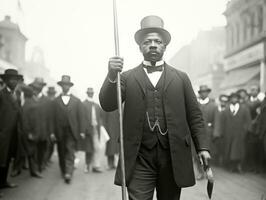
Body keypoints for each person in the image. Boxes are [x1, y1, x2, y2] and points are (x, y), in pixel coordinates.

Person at [99, 15, 210, 200]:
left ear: (165, 46)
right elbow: (107, 104)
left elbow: (195, 116)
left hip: (173, 157)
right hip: (138, 156)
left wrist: (203, 148)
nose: (152, 45)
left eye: (157, 41)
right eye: (147, 41)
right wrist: (111, 75)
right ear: (140, 46)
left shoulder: (181, 78)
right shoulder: (125, 77)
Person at [51, 75, 86, 183]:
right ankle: (63, 170)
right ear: (61, 86)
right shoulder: (55, 101)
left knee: (70, 151)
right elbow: (52, 118)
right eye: (63, 85)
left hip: (72, 131)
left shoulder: (76, 101)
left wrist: (82, 131)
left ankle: (68, 173)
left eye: (67, 85)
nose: (65, 87)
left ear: (69, 86)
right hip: (59, 131)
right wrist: (52, 132)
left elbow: (81, 117)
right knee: (61, 152)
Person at [0, 69, 23, 197]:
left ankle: (3, 182)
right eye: (11, 79)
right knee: (0, 159)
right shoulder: (1, 95)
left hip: (13, 134)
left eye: (16, 79)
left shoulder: (17, 95)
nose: (13, 81)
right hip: (2, 134)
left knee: (7, 159)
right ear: (6, 80)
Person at [219, 93, 251, 173]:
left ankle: (239, 166)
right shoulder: (226, 110)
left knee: (239, 150)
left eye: (236, 98)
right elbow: (222, 122)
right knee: (229, 150)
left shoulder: (244, 109)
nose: (234, 99)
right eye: (232, 98)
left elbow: (248, 121)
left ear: (238, 99)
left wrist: (245, 131)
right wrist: (223, 132)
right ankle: (231, 166)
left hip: (240, 134)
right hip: (228, 134)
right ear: (230, 99)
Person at [78, 87, 104, 173]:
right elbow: (82, 118)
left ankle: (95, 166)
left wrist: (100, 125)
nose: (90, 94)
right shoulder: (83, 104)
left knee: (97, 148)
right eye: (89, 93)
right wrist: (83, 131)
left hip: (96, 129)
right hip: (87, 130)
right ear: (87, 94)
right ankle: (87, 165)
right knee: (88, 149)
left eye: (92, 93)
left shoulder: (96, 105)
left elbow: (101, 116)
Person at [29, 78, 52, 173]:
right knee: (32, 151)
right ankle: (34, 170)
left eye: (40, 86)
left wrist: (50, 132)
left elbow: (50, 117)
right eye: (36, 86)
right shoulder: (29, 99)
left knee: (42, 150)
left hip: (43, 131)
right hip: (32, 131)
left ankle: (40, 166)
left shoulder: (47, 100)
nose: (37, 88)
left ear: (42, 87)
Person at [20, 85, 43, 178]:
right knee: (31, 152)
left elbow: (31, 120)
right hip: (30, 132)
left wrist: (31, 132)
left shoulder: (30, 103)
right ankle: (33, 171)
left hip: (30, 132)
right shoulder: (29, 103)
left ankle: (33, 170)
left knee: (32, 152)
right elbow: (27, 120)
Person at [196, 85, 216, 178]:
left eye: (205, 92)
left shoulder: (213, 105)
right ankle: (200, 172)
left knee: (207, 152)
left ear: (208, 93)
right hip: (196, 132)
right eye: (202, 92)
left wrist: (215, 132)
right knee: (197, 153)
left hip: (208, 132)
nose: (204, 94)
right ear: (199, 94)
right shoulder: (195, 104)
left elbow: (216, 120)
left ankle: (208, 171)